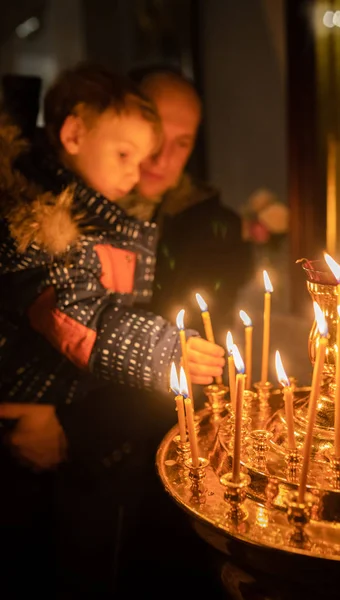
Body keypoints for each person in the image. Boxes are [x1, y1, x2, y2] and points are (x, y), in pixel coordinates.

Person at [0, 62, 226, 598]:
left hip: (117, 460)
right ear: (76, 135)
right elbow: (77, 317)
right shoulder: (48, 221)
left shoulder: (204, 227)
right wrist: (166, 349)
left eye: (180, 144)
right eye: (131, 150)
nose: (150, 163)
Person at [119, 65, 255, 350]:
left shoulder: (215, 230)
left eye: (181, 143)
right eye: (155, 134)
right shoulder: (69, 209)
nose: (161, 159)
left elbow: (205, 343)